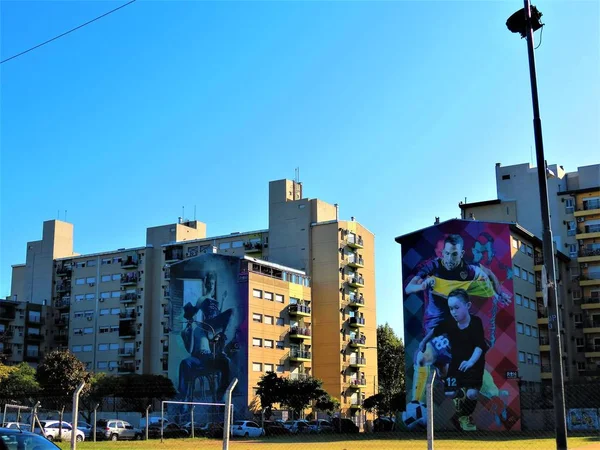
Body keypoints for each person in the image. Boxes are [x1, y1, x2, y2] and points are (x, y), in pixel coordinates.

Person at [404, 234, 511, 403]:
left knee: (429, 359)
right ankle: (488, 391)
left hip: (451, 328)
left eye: (454, 254)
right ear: (442, 253)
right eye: (446, 253)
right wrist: (422, 285)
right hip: (434, 326)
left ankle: (417, 404)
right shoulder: (433, 266)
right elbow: (409, 288)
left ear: (461, 253)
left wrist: (499, 292)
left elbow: (488, 273)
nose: (449, 258)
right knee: (440, 365)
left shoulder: (469, 270)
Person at [420, 289, 486, 431]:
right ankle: (458, 397)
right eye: (451, 308)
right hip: (455, 365)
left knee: (472, 394)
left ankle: (464, 415)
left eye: (457, 307)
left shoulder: (476, 323)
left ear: (468, 306)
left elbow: (480, 347)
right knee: (450, 393)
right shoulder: (449, 323)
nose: (454, 312)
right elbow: (435, 331)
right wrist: (423, 342)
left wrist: (470, 362)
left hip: (474, 366)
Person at [178, 273, 233, 405]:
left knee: (225, 361)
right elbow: (190, 349)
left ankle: (222, 393)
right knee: (184, 363)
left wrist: (224, 300)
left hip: (208, 357)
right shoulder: (191, 329)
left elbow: (216, 321)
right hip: (197, 358)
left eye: (213, 284)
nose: (211, 286)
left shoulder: (205, 329)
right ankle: (183, 397)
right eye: (209, 283)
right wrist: (189, 330)